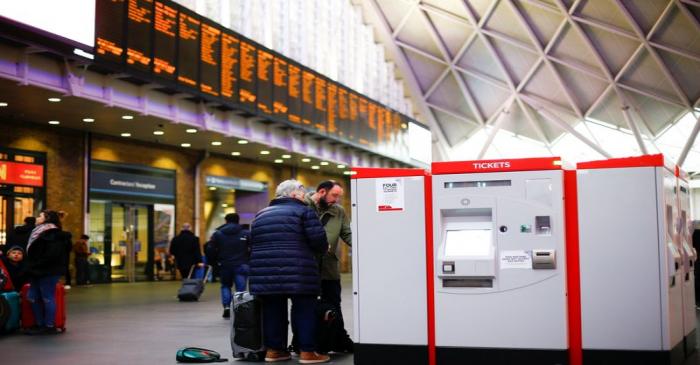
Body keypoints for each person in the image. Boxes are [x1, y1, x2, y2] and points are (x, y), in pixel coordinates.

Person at [249, 180, 330, 363]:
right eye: (302, 194)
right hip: (299, 271)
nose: (304, 197)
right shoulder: (304, 212)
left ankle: (275, 351)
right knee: (303, 310)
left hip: (265, 272)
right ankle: (307, 352)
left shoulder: (260, 215)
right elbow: (318, 241)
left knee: (272, 310)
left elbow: (251, 244)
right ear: (293, 195)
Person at [304, 180, 354, 353]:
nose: (337, 200)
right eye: (334, 195)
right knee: (307, 307)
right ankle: (307, 344)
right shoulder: (303, 206)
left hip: (329, 268)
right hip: (306, 268)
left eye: (339, 196)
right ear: (322, 191)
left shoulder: (338, 211)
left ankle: (339, 340)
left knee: (334, 305)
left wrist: (365, 248)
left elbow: (347, 233)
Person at [24, 209, 67, 335]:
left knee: (47, 297)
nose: (37, 218)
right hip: (36, 270)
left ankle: (49, 325)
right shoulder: (38, 231)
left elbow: (52, 255)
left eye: (40, 216)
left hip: (48, 271)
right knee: (32, 296)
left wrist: (36, 265)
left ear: (47, 218)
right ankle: (40, 324)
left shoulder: (53, 234)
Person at [209, 213, 250, 318]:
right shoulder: (245, 233)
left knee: (225, 286)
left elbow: (210, 249)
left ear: (226, 221)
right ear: (238, 220)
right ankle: (239, 308)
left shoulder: (218, 234)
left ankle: (226, 306)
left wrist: (215, 261)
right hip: (241, 264)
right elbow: (252, 247)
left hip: (225, 264)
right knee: (241, 288)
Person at [57, 211, 73, 289]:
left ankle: (64, 282)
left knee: (63, 268)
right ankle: (66, 282)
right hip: (64, 254)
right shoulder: (66, 236)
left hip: (62, 254)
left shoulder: (63, 236)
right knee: (65, 268)